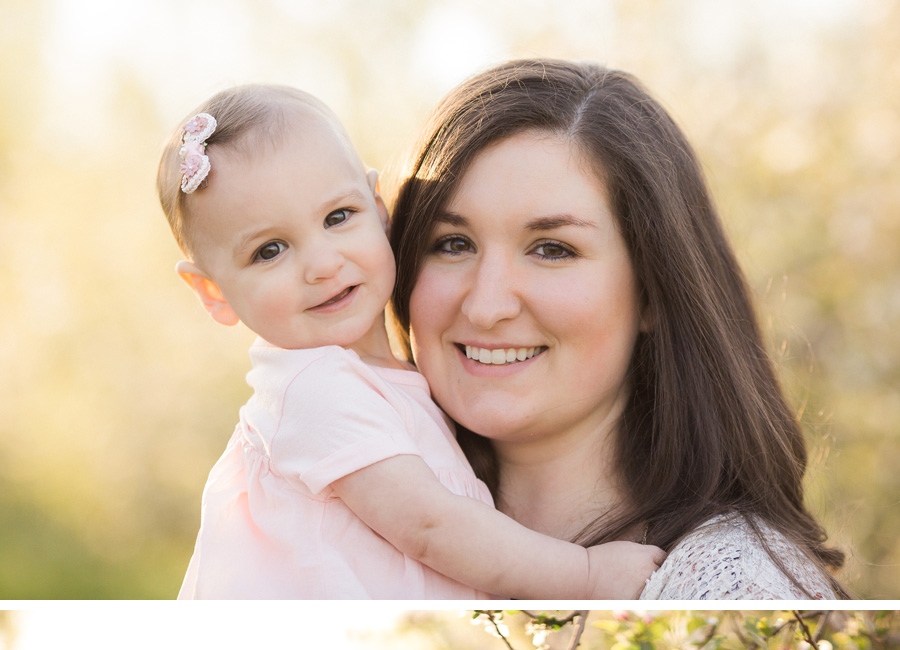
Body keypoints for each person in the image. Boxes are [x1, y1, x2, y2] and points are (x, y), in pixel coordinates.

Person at [156, 85, 661, 600]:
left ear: (379, 209)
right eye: (270, 251)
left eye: (337, 217)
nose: (324, 264)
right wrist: (586, 575)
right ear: (212, 292)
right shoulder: (315, 390)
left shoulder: (392, 381)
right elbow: (431, 527)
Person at [390, 58, 844, 601]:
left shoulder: (737, 588)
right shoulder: (332, 526)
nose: (486, 306)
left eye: (552, 249)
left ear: (653, 291)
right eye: (453, 244)